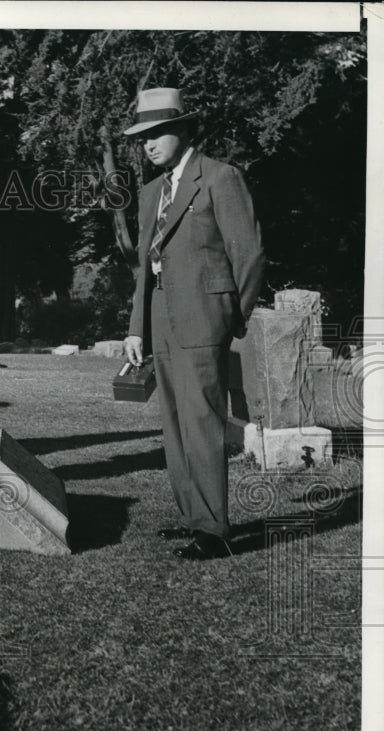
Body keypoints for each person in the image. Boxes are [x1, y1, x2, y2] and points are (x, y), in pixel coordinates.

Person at [122, 88, 266, 560]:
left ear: (184, 131)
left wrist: (231, 318)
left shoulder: (220, 178)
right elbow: (144, 267)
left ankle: (214, 528)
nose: (149, 143)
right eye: (142, 136)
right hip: (161, 319)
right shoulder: (150, 193)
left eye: (158, 133)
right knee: (174, 423)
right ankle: (192, 517)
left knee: (203, 421)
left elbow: (248, 254)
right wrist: (136, 329)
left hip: (205, 319)